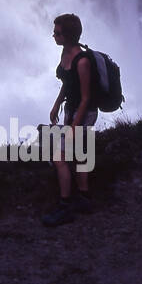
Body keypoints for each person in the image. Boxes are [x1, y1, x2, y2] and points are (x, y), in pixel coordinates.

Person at [42, 13, 98, 227]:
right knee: (81, 153)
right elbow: (67, 82)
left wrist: (74, 127)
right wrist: (57, 104)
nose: (53, 35)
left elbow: (86, 98)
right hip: (71, 109)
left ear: (68, 35)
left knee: (60, 157)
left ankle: (65, 206)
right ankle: (83, 197)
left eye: (57, 33)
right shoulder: (65, 53)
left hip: (84, 112)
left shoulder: (82, 61)